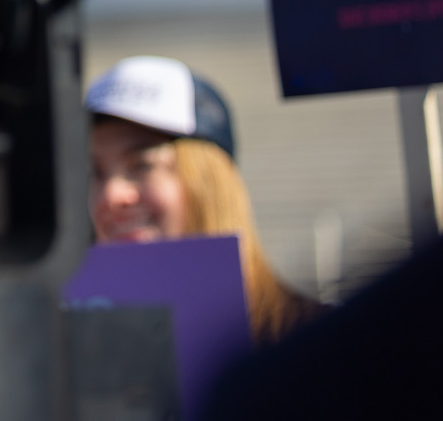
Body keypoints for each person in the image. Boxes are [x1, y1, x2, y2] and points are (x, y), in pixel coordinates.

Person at [87, 55, 317, 343]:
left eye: (142, 165)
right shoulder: (59, 352)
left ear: (211, 181)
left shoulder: (319, 343)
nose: (111, 195)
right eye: (93, 172)